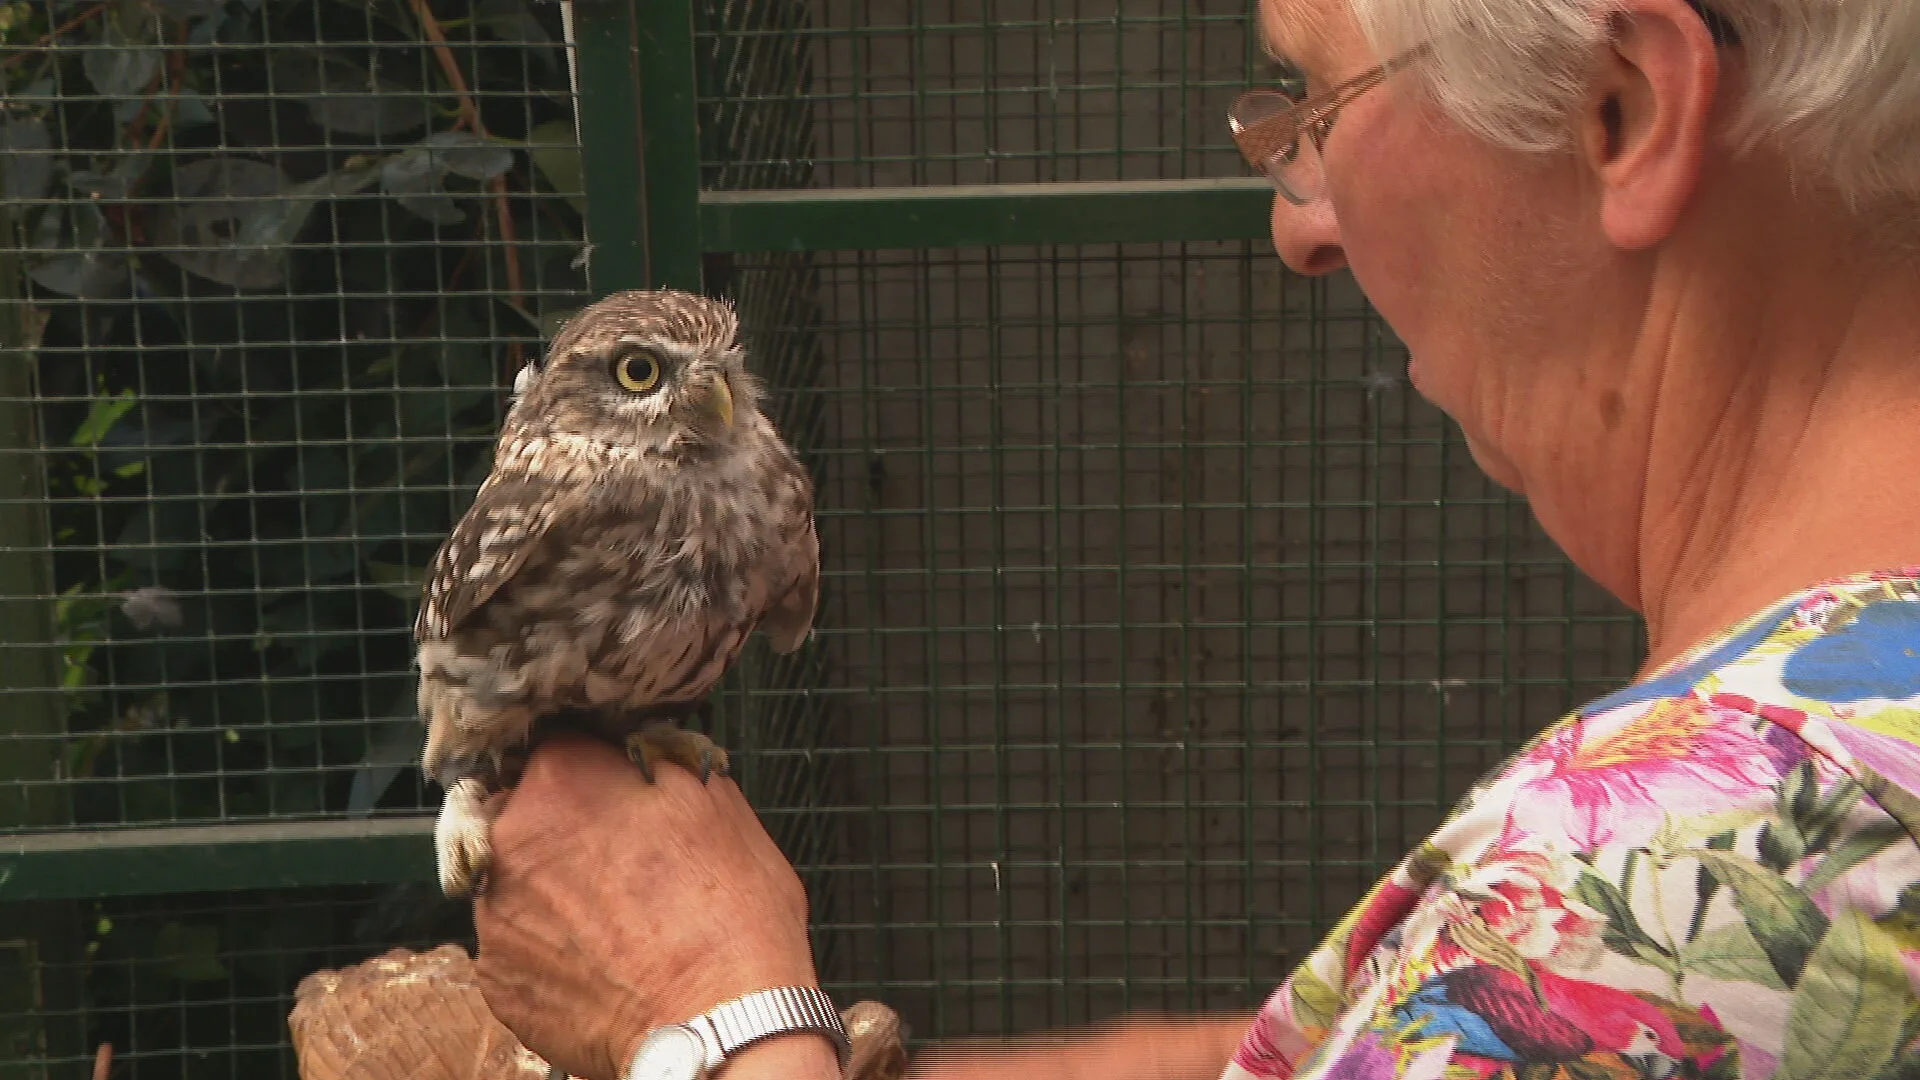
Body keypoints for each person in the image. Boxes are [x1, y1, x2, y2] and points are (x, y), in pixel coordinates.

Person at [471, 0, 1920, 1075]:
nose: (1300, 228)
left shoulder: (1681, 882)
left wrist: (714, 1018)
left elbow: (1583, 987)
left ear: (1623, 109)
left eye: (1317, 105)